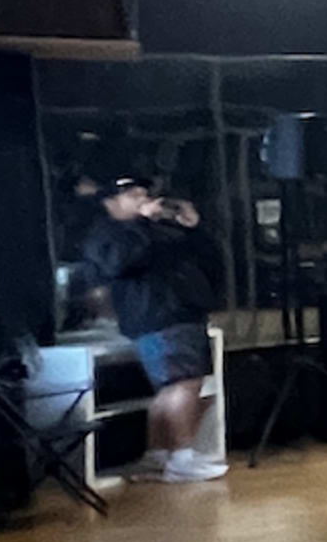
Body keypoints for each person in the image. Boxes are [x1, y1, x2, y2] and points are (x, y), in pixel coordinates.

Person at [76, 173, 228, 481]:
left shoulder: (156, 230)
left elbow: (206, 259)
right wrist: (139, 224)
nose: (143, 199)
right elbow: (119, 263)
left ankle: (158, 456)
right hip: (158, 317)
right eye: (133, 195)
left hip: (182, 312)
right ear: (110, 202)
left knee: (172, 387)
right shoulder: (108, 233)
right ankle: (182, 459)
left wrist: (194, 228)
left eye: (144, 194)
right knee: (184, 384)